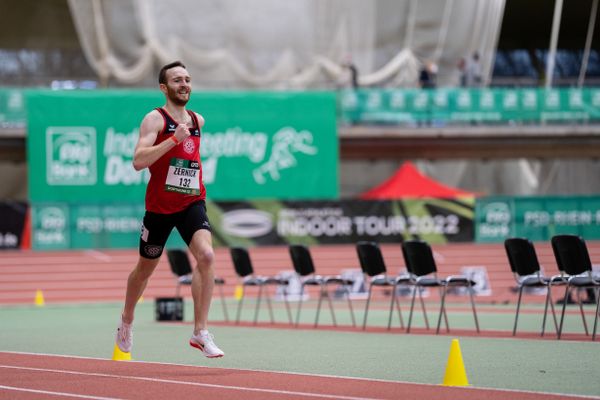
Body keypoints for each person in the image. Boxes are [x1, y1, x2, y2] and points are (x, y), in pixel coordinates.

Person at [115, 60, 224, 358]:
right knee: (144, 270)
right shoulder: (155, 119)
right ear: (164, 88)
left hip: (191, 201)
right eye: (177, 80)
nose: (184, 84)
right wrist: (173, 140)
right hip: (160, 209)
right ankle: (126, 319)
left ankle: (200, 332)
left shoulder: (198, 120)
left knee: (207, 255)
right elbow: (139, 161)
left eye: (187, 79)